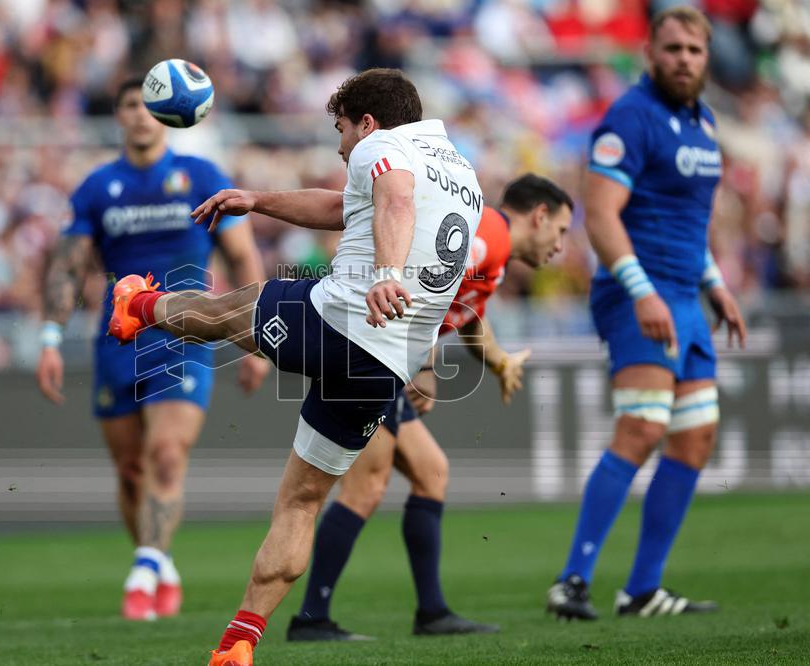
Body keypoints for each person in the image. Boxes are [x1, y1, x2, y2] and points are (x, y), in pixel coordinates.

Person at [107, 68, 482, 665]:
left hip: (346, 319)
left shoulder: (383, 146)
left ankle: (138, 305)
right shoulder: (463, 173)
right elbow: (347, 209)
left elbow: (395, 199)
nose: (339, 146)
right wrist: (259, 201)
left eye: (339, 130)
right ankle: (239, 642)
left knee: (237, 311)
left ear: (367, 121)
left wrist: (384, 275)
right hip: (385, 367)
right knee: (303, 502)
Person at [287, 174, 573, 641]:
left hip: (386, 353)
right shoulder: (490, 236)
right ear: (539, 216)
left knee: (430, 471)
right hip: (372, 352)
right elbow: (426, 281)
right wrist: (427, 362)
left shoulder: (493, 254)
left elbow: (468, 318)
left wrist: (499, 362)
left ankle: (432, 613)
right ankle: (311, 619)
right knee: (366, 487)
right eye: (560, 231)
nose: (560, 245)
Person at [35, 77, 268, 621]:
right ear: (117, 116)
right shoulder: (97, 188)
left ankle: (143, 568)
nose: (139, 115)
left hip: (187, 334)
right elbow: (67, 268)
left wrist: (254, 341)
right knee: (131, 472)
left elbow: (243, 257)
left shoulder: (201, 178)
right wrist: (49, 337)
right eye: (127, 106)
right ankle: (158, 559)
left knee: (166, 455)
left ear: (166, 112)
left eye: (146, 105)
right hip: (118, 340)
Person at [547, 6, 747, 620]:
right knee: (642, 426)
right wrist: (642, 290)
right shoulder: (630, 118)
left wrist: (715, 282)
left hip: (685, 293)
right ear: (650, 55)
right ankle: (572, 581)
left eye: (695, 49)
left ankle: (642, 589)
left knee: (695, 437)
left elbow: (685, 221)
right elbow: (602, 215)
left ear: (707, 58)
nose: (684, 59)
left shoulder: (704, 121)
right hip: (638, 292)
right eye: (673, 48)